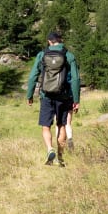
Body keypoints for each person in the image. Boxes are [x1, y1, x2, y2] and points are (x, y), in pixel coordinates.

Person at [27, 31, 80, 166]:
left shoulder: (42, 55)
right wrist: (76, 100)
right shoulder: (68, 55)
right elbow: (75, 79)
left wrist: (30, 95)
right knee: (61, 125)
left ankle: (50, 149)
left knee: (46, 126)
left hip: (46, 96)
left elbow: (33, 76)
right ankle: (60, 157)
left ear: (49, 41)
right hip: (64, 96)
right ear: (61, 40)